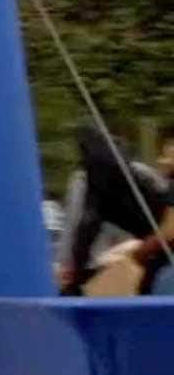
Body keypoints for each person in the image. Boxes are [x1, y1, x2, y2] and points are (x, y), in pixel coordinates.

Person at [58, 121, 171, 296]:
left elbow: (168, 231)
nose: (161, 160)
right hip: (154, 246)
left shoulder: (94, 184)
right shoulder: (138, 174)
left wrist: (137, 253)